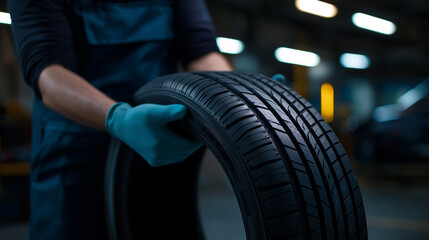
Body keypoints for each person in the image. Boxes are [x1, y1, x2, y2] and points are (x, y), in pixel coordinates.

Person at [8, 0, 232, 239]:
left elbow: (201, 50)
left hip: (154, 154)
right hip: (74, 164)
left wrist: (238, 99)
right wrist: (118, 118)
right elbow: (48, 73)